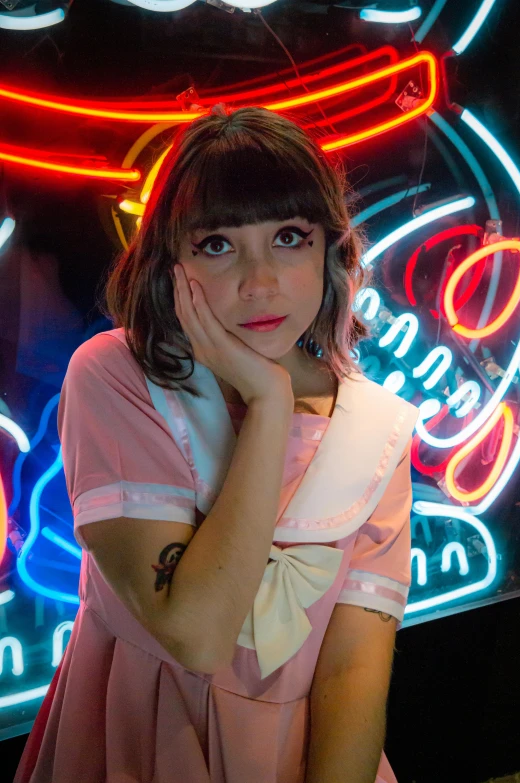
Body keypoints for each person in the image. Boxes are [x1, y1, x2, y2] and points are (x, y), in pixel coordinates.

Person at [14, 105, 418, 783]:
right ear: (170, 259)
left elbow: (353, 675)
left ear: (331, 248)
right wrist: (266, 403)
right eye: (218, 244)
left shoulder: (373, 428)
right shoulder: (115, 378)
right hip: (140, 742)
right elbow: (197, 632)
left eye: (290, 236)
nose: (259, 282)